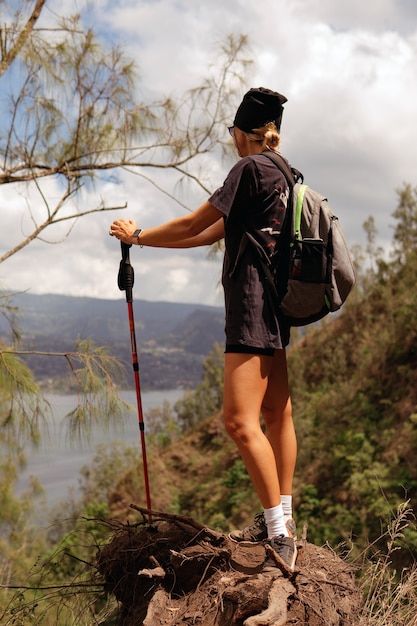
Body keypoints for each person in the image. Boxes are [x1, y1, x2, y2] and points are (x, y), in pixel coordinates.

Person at [109, 87, 298, 571]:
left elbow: (196, 220)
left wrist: (138, 236)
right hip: (279, 309)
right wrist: (148, 244)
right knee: (277, 414)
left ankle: (278, 535)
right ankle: (284, 517)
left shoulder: (249, 169)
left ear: (241, 132)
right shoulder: (286, 174)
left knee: (239, 421)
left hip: (252, 308)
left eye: (232, 131)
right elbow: (211, 233)